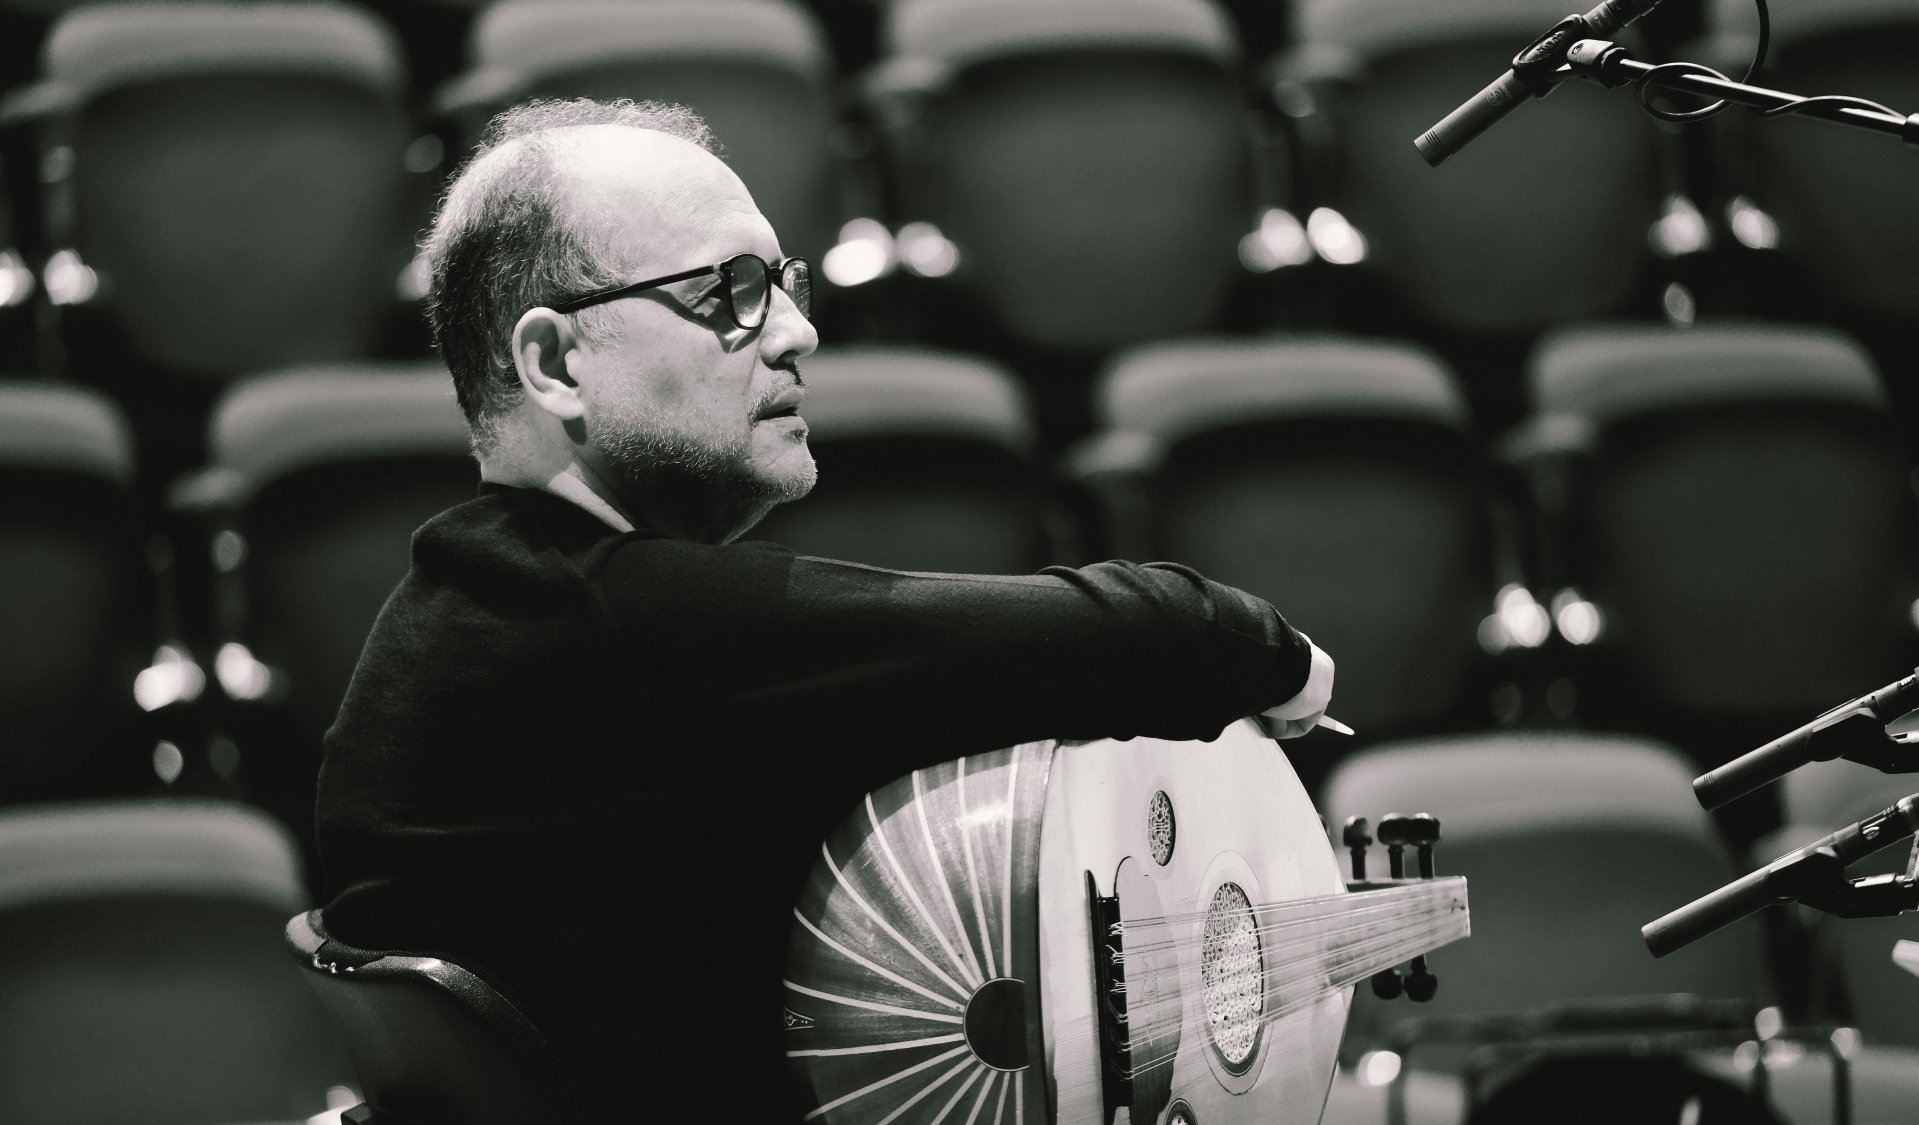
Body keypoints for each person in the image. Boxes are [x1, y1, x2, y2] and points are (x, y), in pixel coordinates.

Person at [315, 98, 1335, 1118]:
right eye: (731, 292)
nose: (797, 332)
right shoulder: (617, 629)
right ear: (553, 364)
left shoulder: (467, 611)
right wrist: (1284, 662)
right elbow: (1159, 631)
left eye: (785, 283)